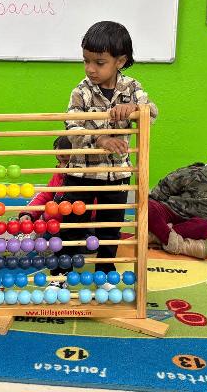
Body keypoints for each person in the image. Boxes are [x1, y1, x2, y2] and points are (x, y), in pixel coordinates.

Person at [48, 21, 158, 290]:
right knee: (73, 224)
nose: (90, 69)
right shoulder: (81, 90)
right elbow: (71, 124)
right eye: (86, 61)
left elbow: (152, 113)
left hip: (117, 174)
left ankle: (105, 271)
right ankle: (60, 273)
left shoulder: (132, 88)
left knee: (110, 228)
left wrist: (135, 108)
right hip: (81, 173)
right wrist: (99, 138)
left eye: (99, 62)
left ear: (120, 61)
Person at [18, 136, 72, 223]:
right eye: (59, 161)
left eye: (66, 162)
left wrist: (48, 216)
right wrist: (29, 213)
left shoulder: (84, 181)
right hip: (53, 224)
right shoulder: (58, 175)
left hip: (74, 227)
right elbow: (45, 195)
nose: (60, 166)